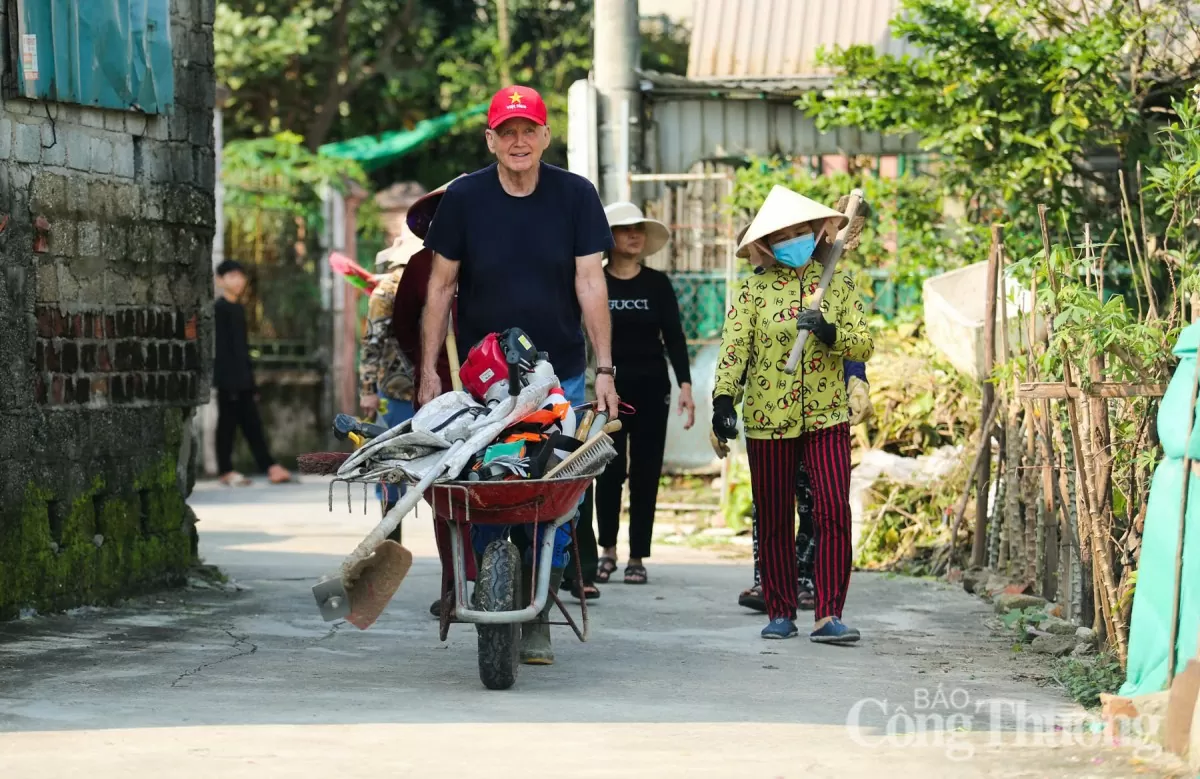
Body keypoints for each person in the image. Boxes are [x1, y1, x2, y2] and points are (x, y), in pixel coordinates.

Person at [418, 85, 618, 665]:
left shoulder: (576, 196)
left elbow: (590, 283)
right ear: (491, 140)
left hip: (563, 378)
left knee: (558, 496)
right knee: (487, 491)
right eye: (507, 132)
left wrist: (606, 369)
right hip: (485, 383)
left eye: (528, 130)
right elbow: (440, 286)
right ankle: (495, 591)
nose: (519, 141)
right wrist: (431, 372)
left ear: (545, 135)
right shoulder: (464, 199)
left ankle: (539, 602)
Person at [712, 185, 873, 643]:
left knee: (832, 511)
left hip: (827, 416)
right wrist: (724, 401)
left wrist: (828, 332)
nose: (793, 239)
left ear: (819, 233)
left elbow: (863, 344)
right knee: (775, 515)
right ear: (766, 243)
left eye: (801, 230)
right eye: (783, 234)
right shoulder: (752, 293)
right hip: (767, 418)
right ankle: (780, 610)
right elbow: (734, 351)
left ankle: (828, 614)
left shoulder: (837, 285)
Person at [594, 202, 695, 586]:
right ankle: (607, 551)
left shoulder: (657, 284)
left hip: (653, 387)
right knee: (608, 470)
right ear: (610, 238)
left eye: (639, 229)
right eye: (625, 229)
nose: (634, 235)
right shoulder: (595, 282)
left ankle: (637, 556)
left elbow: (674, 336)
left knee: (646, 472)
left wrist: (685, 385)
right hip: (609, 391)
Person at [390, 176, 477, 618]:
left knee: (497, 485)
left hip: (495, 391)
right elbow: (405, 327)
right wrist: (429, 370)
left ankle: (492, 576)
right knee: (445, 492)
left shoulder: (494, 257)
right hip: (441, 392)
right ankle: (455, 582)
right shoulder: (422, 267)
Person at [737, 360, 872, 613]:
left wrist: (856, 379)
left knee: (817, 497)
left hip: (820, 405)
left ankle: (805, 580)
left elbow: (850, 333)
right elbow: (740, 346)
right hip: (770, 406)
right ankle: (768, 582)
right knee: (770, 501)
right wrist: (725, 398)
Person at [212, 260, 292, 486]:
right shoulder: (219, 309)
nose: (238, 281)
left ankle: (263, 466)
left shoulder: (238, 308)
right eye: (231, 276)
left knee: (246, 424)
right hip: (229, 380)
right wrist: (230, 380)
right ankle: (234, 469)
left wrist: (250, 381)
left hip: (243, 379)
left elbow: (242, 349)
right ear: (220, 280)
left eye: (240, 276)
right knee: (232, 425)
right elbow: (223, 350)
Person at [359, 234, 422, 513]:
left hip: (396, 389)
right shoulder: (433, 284)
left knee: (391, 463)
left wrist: (368, 391)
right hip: (435, 388)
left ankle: (389, 535)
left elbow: (372, 344)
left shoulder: (385, 290)